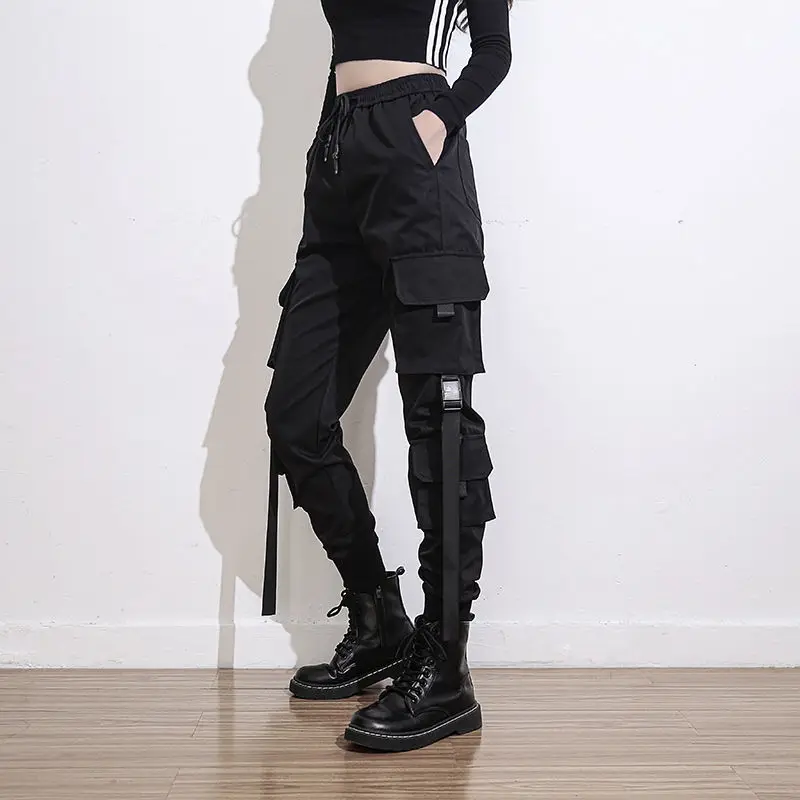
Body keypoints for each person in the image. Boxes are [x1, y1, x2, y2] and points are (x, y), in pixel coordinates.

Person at [263, 0, 512, 752]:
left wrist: (437, 119)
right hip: (338, 156)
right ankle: (379, 621)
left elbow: (494, 50)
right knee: (296, 416)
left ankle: (446, 668)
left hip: (416, 157)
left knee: (438, 424)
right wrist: (328, 147)